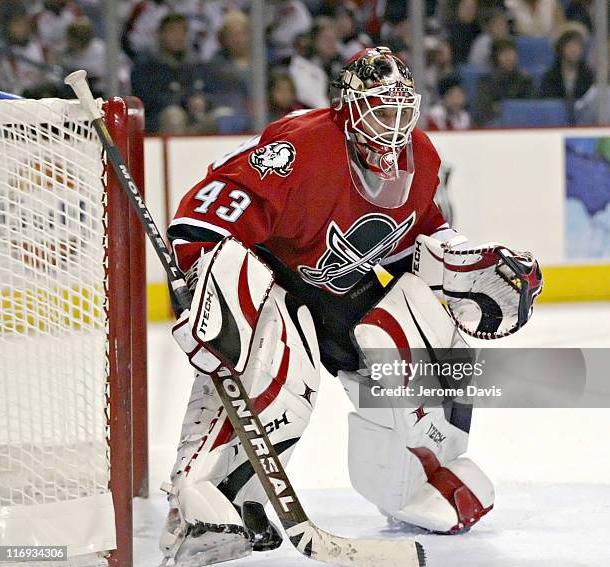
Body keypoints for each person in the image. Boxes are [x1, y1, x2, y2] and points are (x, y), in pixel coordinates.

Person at [162, 46, 543, 566]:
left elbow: (425, 231)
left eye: (401, 109)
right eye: (380, 109)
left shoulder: (422, 156)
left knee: (420, 333)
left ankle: (414, 479)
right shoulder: (301, 147)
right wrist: (202, 284)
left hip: (351, 293)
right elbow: (209, 212)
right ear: (348, 107)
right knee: (281, 378)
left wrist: (468, 262)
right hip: (281, 284)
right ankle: (208, 502)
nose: (393, 124)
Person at [130, 12, 208, 133]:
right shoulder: (146, 64)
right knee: (174, 116)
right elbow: (147, 100)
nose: (179, 36)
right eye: (173, 31)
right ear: (161, 34)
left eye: (183, 32)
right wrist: (185, 101)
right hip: (156, 121)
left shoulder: (195, 62)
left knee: (222, 116)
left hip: (194, 118)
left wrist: (204, 101)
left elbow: (209, 91)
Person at [539, 22, 593, 123]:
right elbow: (547, 104)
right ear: (561, 48)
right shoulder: (550, 77)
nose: (574, 49)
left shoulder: (589, 75)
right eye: (570, 45)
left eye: (578, 45)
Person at [472, 38, 534, 126]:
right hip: (496, 123)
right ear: (496, 57)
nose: (509, 57)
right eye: (504, 54)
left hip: (521, 122)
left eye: (511, 53)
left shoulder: (525, 80)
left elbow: (530, 106)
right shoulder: (486, 81)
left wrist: (505, 107)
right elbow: (482, 110)